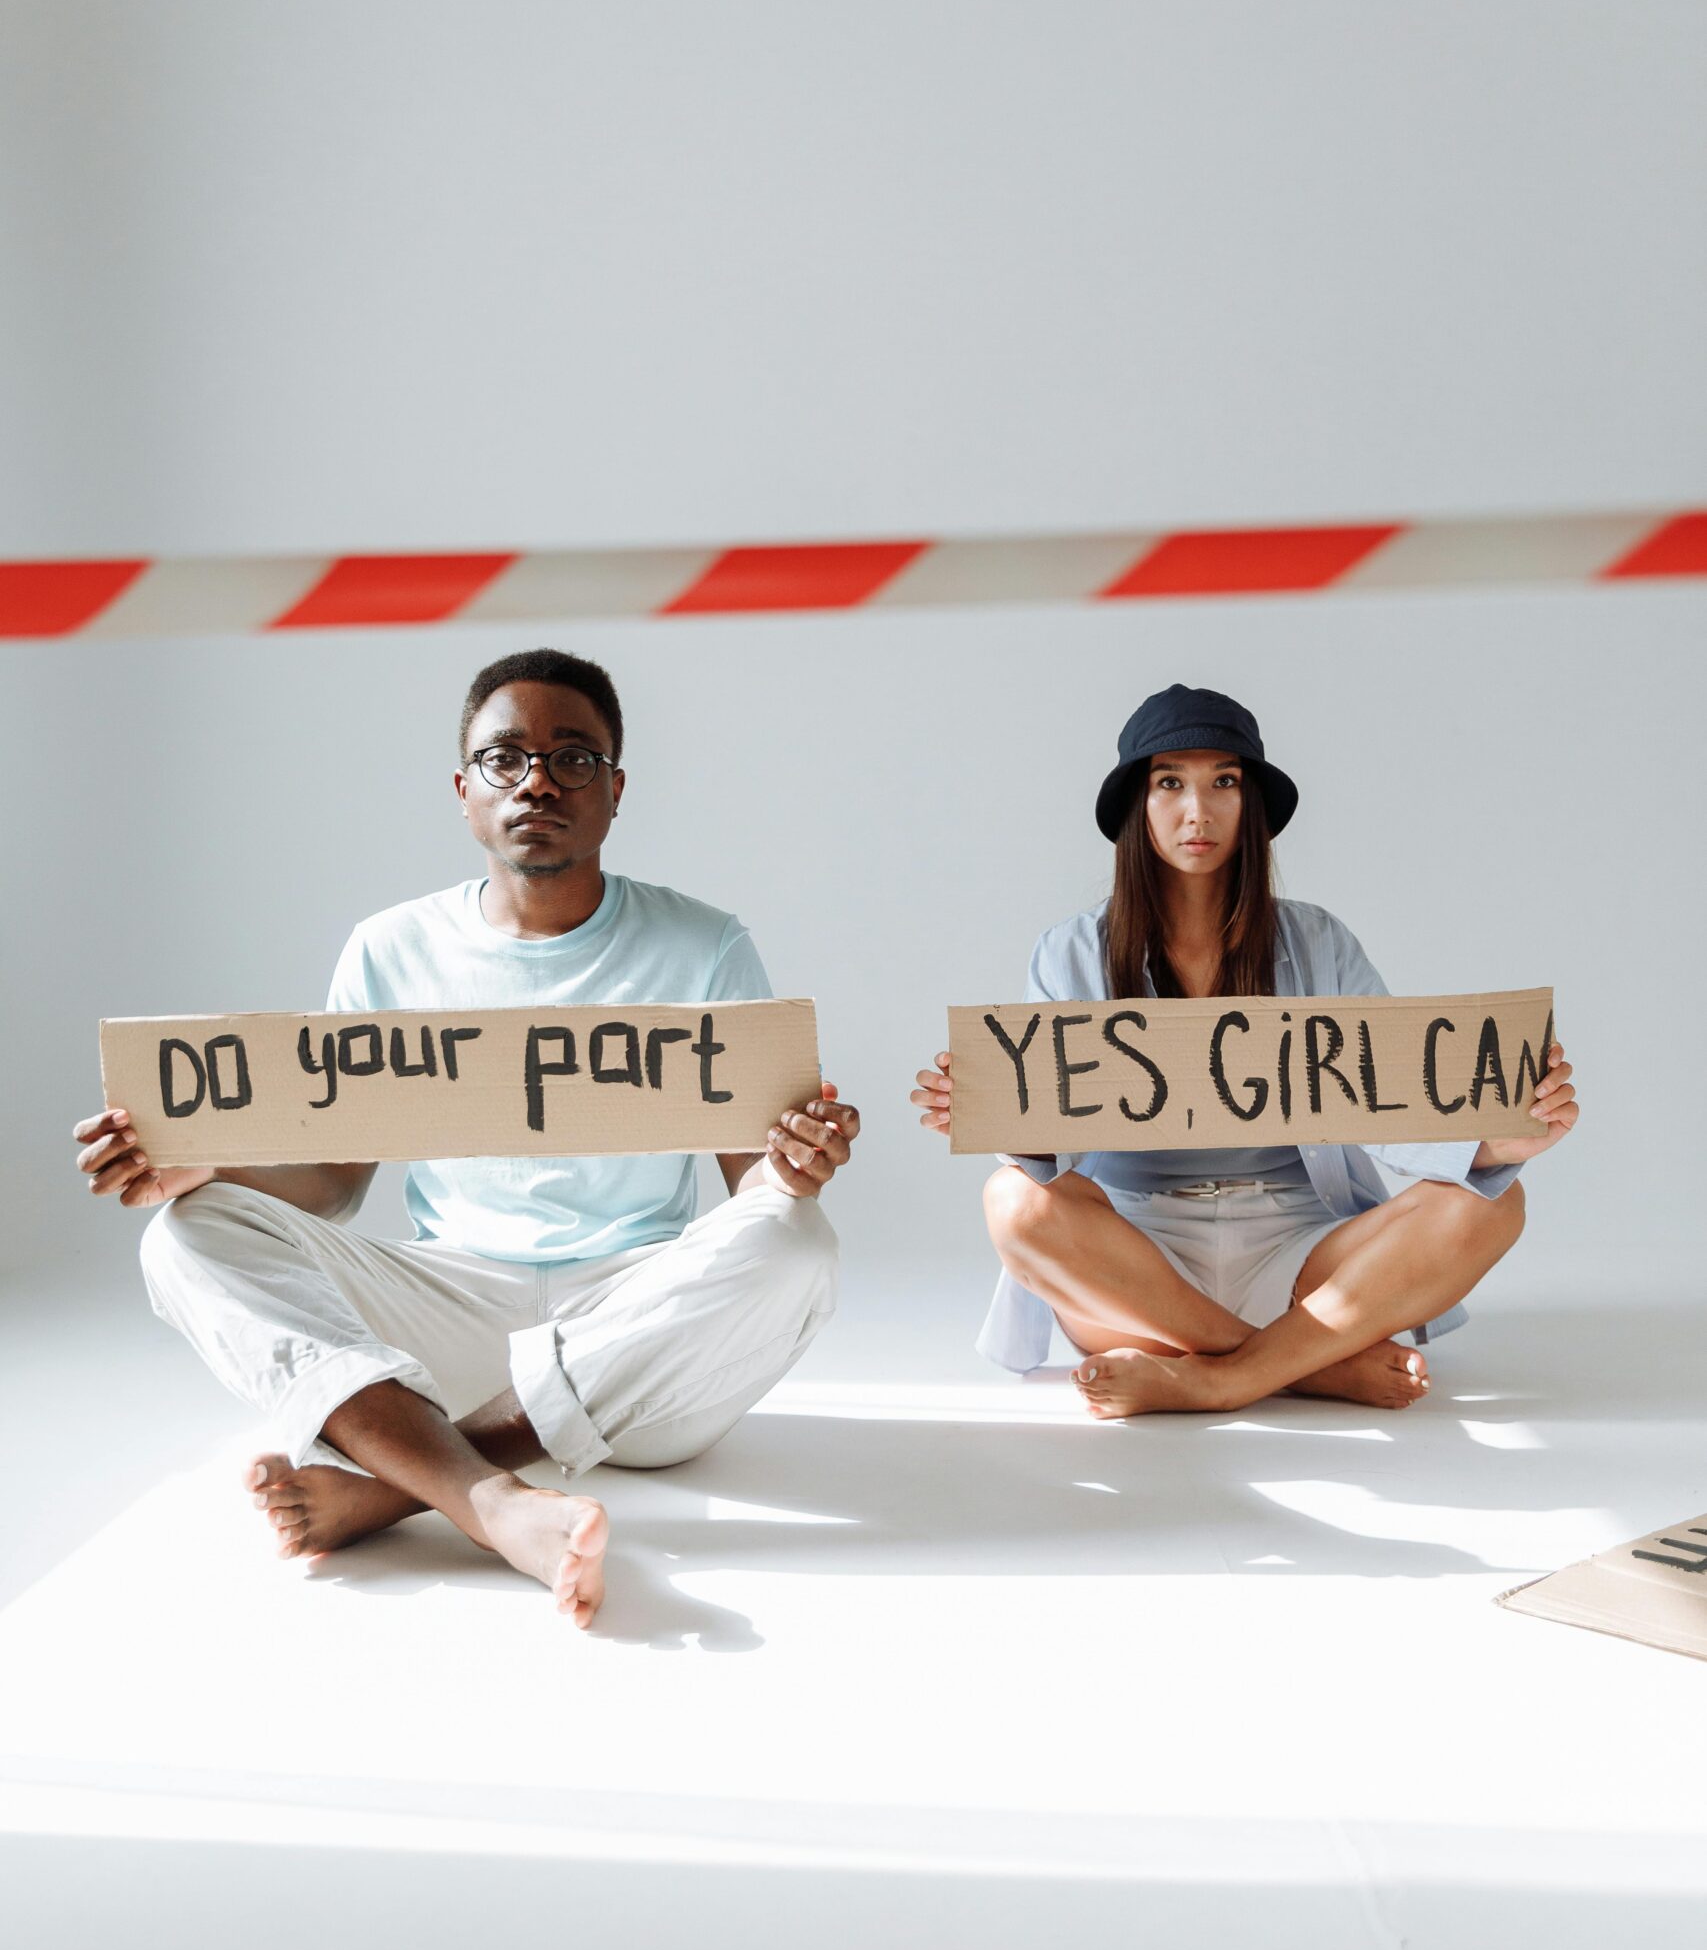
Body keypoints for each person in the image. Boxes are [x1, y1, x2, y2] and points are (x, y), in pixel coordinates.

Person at [74, 647, 856, 1624]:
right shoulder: (391, 948)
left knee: (799, 1243)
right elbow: (335, 1177)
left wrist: (796, 1165)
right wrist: (202, 1165)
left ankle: (412, 1480)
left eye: (575, 758)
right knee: (185, 1231)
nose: (538, 778)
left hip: (637, 1328)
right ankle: (491, 1498)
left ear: (615, 791)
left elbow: (760, 1195)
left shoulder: (704, 944)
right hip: (448, 1313)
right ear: (463, 789)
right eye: (506, 757)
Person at [910, 684, 1577, 1419]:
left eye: (1223, 782)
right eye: (1170, 783)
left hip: (1300, 1247)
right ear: (1139, 805)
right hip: (1137, 1263)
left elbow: (1391, 1100)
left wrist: (1489, 1146)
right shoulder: (1070, 950)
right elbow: (1048, 1148)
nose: (1197, 811)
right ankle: (1308, 1367)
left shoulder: (1317, 940)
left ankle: (1218, 1376)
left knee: (1494, 1203)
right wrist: (997, 1117)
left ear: (1250, 802)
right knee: (1010, 1199)